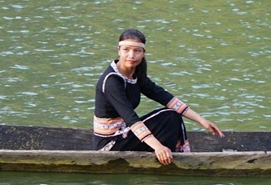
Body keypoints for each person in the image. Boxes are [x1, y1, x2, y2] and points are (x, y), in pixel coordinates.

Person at [94, 29, 223, 163]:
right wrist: (158, 146)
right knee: (170, 116)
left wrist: (201, 120)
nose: (131, 55)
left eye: (137, 51)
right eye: (126, 50)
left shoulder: (136, 73)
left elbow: (163, 97)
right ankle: (171, 155)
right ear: (119, 50)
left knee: (172, 115)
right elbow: (131, 118)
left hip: (125, 134)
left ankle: (170, 155)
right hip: (109, 145)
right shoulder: (111, 81)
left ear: (143, 53)